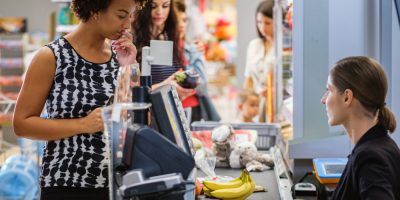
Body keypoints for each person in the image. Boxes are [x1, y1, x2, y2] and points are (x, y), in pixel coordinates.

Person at [12, 0, 138, 199]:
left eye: (131, 16)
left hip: (116, 183)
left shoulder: (120, 56)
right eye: (122, 15)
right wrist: (83, 124)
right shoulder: (52, 56)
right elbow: (22, 124)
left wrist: (130, 67)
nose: (128, 25)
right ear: (95, 10)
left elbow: (135, 119)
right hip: (67, 183)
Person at [321, 56, 400, 199]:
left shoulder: (370, 157)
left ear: (347, 97)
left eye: (329, 90)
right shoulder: (382, 145)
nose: (323, 100)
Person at [132, 0, 194, 100]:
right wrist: (166, 86)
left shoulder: (170, 37)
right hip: (148, 112)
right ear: (143, 7)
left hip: (171, 109)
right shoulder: (133, 41)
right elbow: (131, 92)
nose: (159, 12)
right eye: (153, 6)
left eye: (165, 6)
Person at [174, 0, 220, 122]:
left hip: (192, 109)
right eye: (177, 20)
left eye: (184, 20)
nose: (181, 24)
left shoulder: (192, 50)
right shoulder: (160, 48)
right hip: (168, 109)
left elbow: (202, 86)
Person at [244, 0, 275, 122]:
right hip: (256, 105)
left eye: (267, 23)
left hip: (274, 105)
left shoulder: (284, 49)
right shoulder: (254, 45)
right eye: (259, 22)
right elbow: (248, 79)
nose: (262, 27)